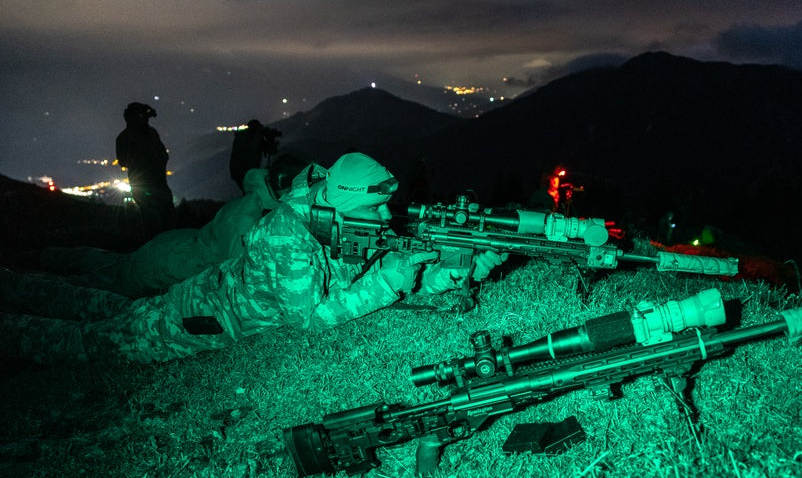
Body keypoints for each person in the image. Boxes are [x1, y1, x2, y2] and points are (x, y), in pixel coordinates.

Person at [0, 152, 506, 365]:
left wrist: (461, 268)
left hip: (208, 297)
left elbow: (390, 267)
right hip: (199, 318)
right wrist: (387, 283)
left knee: (100, 305)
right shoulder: (286, 235)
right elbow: (309, 319)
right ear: (343, 202)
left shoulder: (345, 215)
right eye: (374, 208)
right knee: (94, 338)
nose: (384, 217)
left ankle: (14, 282)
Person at [38, 155, 304, 298]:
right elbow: (238, 276)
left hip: (174, 246)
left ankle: (46, 255)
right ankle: (25, 282)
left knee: (109, 263)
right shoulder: (249, 218)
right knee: (88, 287)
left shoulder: (255, 199)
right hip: (171, 264)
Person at [116, 102, 175, 236]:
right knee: (153, 220)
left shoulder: (129, 136)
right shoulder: (128, 137)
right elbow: (124, 161)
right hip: (149, 185)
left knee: (161, 218)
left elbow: (162, 155)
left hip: (155, 184)